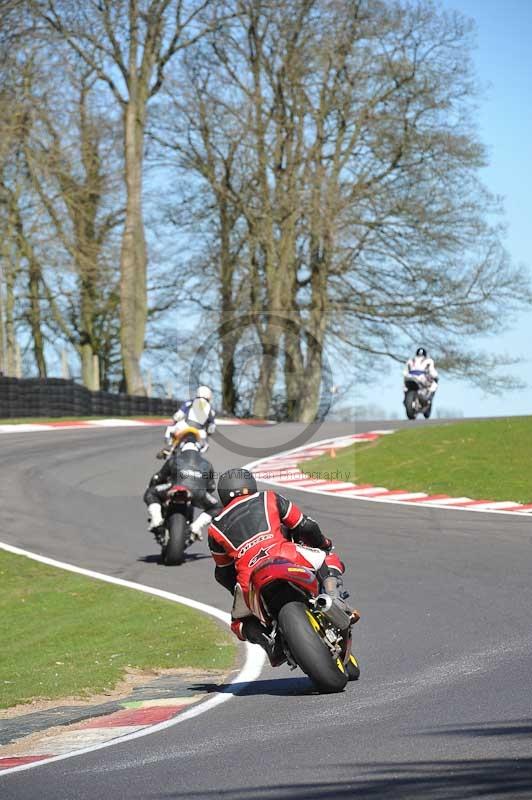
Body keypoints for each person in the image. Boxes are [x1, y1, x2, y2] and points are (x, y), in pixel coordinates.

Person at [208, 468, 359, 665]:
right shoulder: (268, 497)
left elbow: (223, 572)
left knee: (239, 624)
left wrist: (239, 592)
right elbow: (305, 526)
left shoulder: (215, 527)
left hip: (250, 577)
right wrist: (323, 543)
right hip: (284, 554)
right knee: (327, 557)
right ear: (250, 485)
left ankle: (268, 643)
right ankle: (333, 598)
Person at [143, 434, 218, 541]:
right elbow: (211, 487)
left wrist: (154, 486)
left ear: (182, 448)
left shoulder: (175, 458)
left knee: (150, 492)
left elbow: (158, 477)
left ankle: (156, 520)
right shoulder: (207, 464)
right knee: (217, 506)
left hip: (174, 487)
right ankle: (196, 527)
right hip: (198, 493)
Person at [164, 386, 216, 451]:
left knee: (170, 429)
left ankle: (170, 447)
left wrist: (175, 420)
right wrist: (208, 432)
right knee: (205, 445)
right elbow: (212, 427)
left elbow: (178, 415)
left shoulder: (190, 402)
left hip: (185, 426)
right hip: (200, 432)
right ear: (209, 395)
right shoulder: (211, 409)